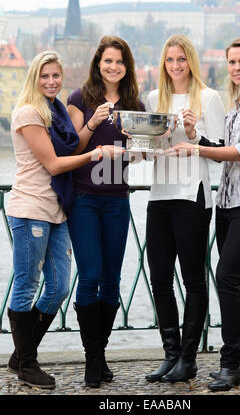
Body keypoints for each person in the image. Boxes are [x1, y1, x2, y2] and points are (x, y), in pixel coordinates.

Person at [167, 36, 240, 391]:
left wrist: (197, 148)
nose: (236, 68)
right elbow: (220, 146)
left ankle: (229, 363)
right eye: (231, 62)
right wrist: (194, 138)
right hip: (228, 202)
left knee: (226, 275)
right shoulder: (234, 104)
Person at [6, 50, 123, 390]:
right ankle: (27, 363)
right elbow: (56, 165)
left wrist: (95, 130)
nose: (51, 81)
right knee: (26, 285)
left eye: (56, 76)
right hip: (30, 208)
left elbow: (70, 150)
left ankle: (19, 354)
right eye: (44, 76)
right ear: (34, 78)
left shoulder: (55, 110)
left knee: (57, 288)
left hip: (56, 209)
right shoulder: (29, 112)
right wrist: (97, 154)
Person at [144, 34, 225, 383]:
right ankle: (171, 354)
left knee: (193, 279)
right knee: (159, 278)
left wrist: (192, 134)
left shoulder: (208, 97)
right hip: (159, 194)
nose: (175, 65)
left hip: (192, 195)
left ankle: (189, 358)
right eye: (169, 60)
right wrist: (149, 145)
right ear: (163, 63)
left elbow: (220, 148)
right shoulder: (153, 98)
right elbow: (147, 148)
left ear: (191, 61)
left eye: (181, 59)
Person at [66, 36, 145, 388]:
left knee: (112, 278)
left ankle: (99, 354)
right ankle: (91, 359)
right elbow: (72, 146)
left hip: (118, 198)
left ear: (127, 67)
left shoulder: (134, 103)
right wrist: (94, 122)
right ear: (98, 63)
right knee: (90, 275)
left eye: (120, 62)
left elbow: (141, 154)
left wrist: (149, 140)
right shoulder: (80, 99)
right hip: (84, 198)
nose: (113, 67)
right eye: (107, 61)